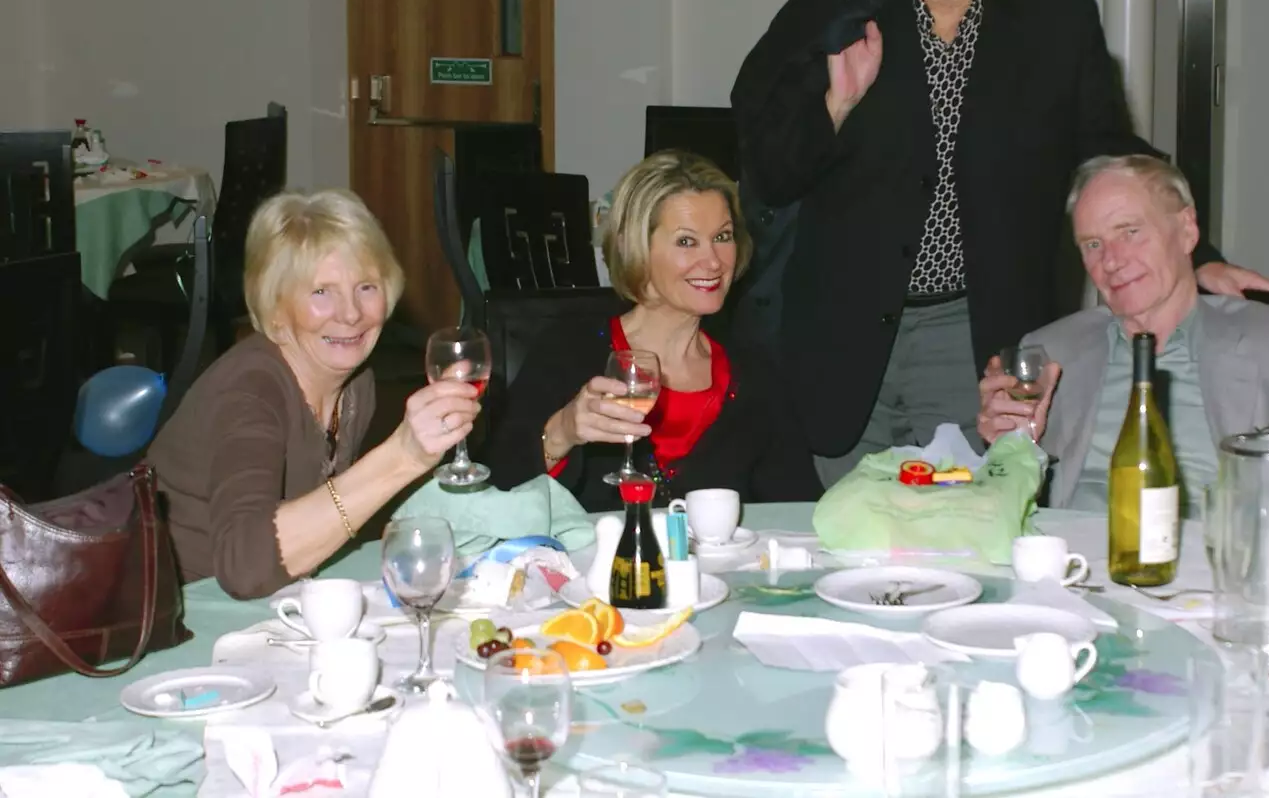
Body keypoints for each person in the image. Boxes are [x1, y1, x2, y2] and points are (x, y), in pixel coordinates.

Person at [732, 0, 1269, 485]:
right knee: (838, 544)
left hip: (976, 339)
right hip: (839, 339)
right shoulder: (833, 10)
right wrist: (833, 109)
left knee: (963, 542)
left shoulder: (1056, 22)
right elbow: (768, 171)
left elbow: (1111, 155)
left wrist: (1198, 257)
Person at [977, 155, 1269, 519]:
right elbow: (1006, 507)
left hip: (1222, 578)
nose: (1111, 261)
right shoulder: (1053, 351)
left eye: (1130, 232)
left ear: (1186, 230)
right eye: (1093, 244)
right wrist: (1010, 448)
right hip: (1074, 575)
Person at [147, 190, 481, 599]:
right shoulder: (250, 391)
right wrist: (402, 456)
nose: (350, 314)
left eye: (366, 287)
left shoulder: (356, 385)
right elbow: (246, 567)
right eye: (321, 292)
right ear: (274, 305)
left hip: (268, 608)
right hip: (170, 612)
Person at [486, 151, 822, 512]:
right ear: (638, 248)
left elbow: (800, 511)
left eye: (722, 236)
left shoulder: (755, 375)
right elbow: (497, 492)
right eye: (686, 241)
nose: (713, 261)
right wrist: (562, 431)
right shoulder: (570, 352)